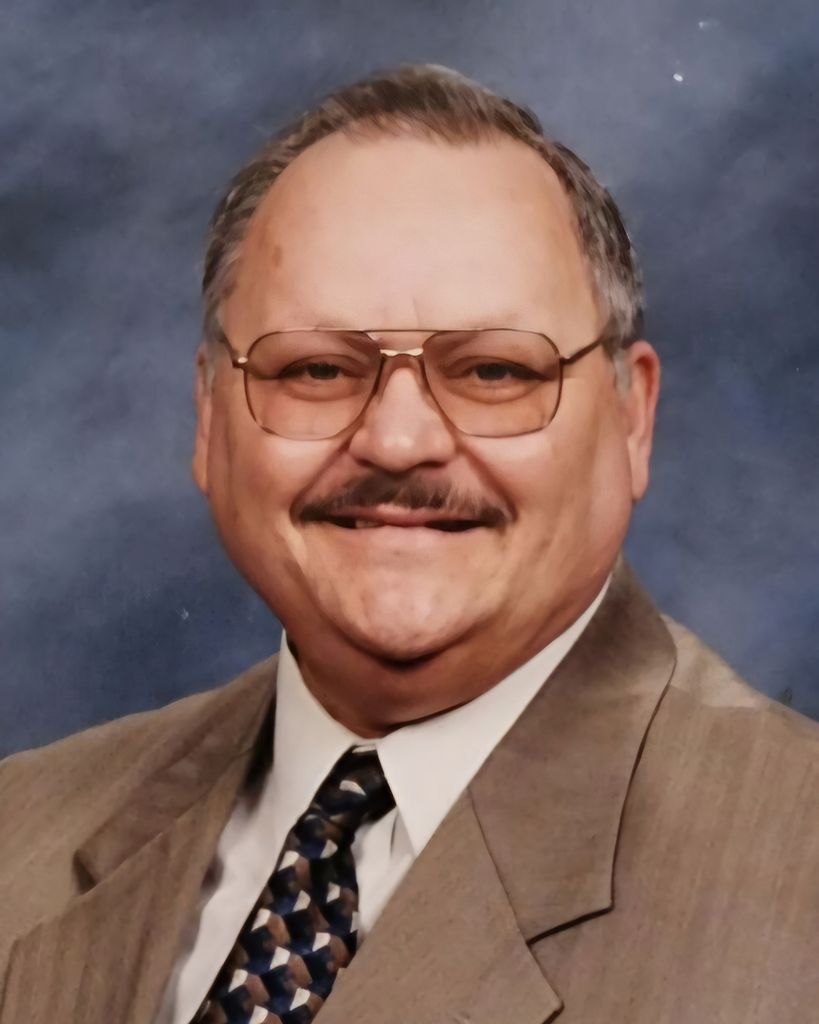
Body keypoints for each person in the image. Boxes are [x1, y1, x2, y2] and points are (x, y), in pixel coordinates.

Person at [1, 62, 816, 1024]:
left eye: (492, 371)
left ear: (631, 417)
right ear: (211, 417)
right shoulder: (19, 831)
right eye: (315, 369)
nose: (396, 440)